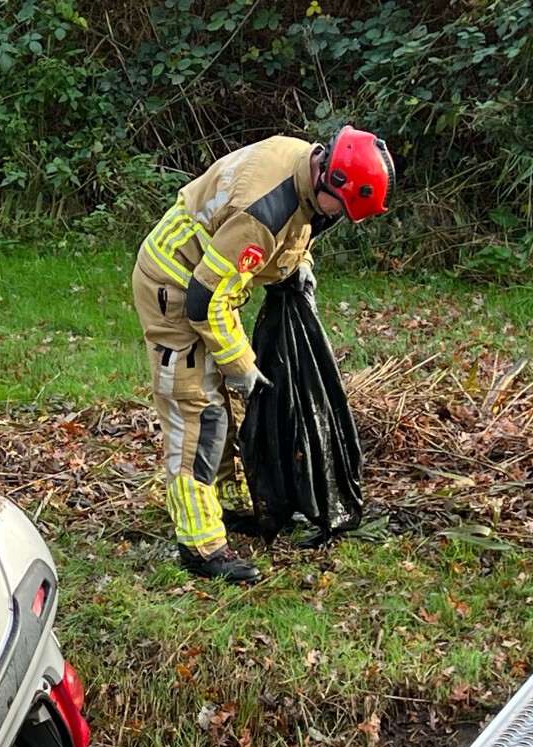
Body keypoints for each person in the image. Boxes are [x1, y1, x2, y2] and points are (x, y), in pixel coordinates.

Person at [133, 126, 394, 583]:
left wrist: (301, 269)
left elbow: (297, 230)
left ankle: (227, 505)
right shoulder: (261, 214)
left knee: (227, 407)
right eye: (345, 208)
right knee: (199, 413)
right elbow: (204, 299)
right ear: (330, 179)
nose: (342, 220)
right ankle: (199, 545)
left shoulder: (304, 164)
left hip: (207, 282)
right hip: (173, 286)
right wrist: (242, 366)